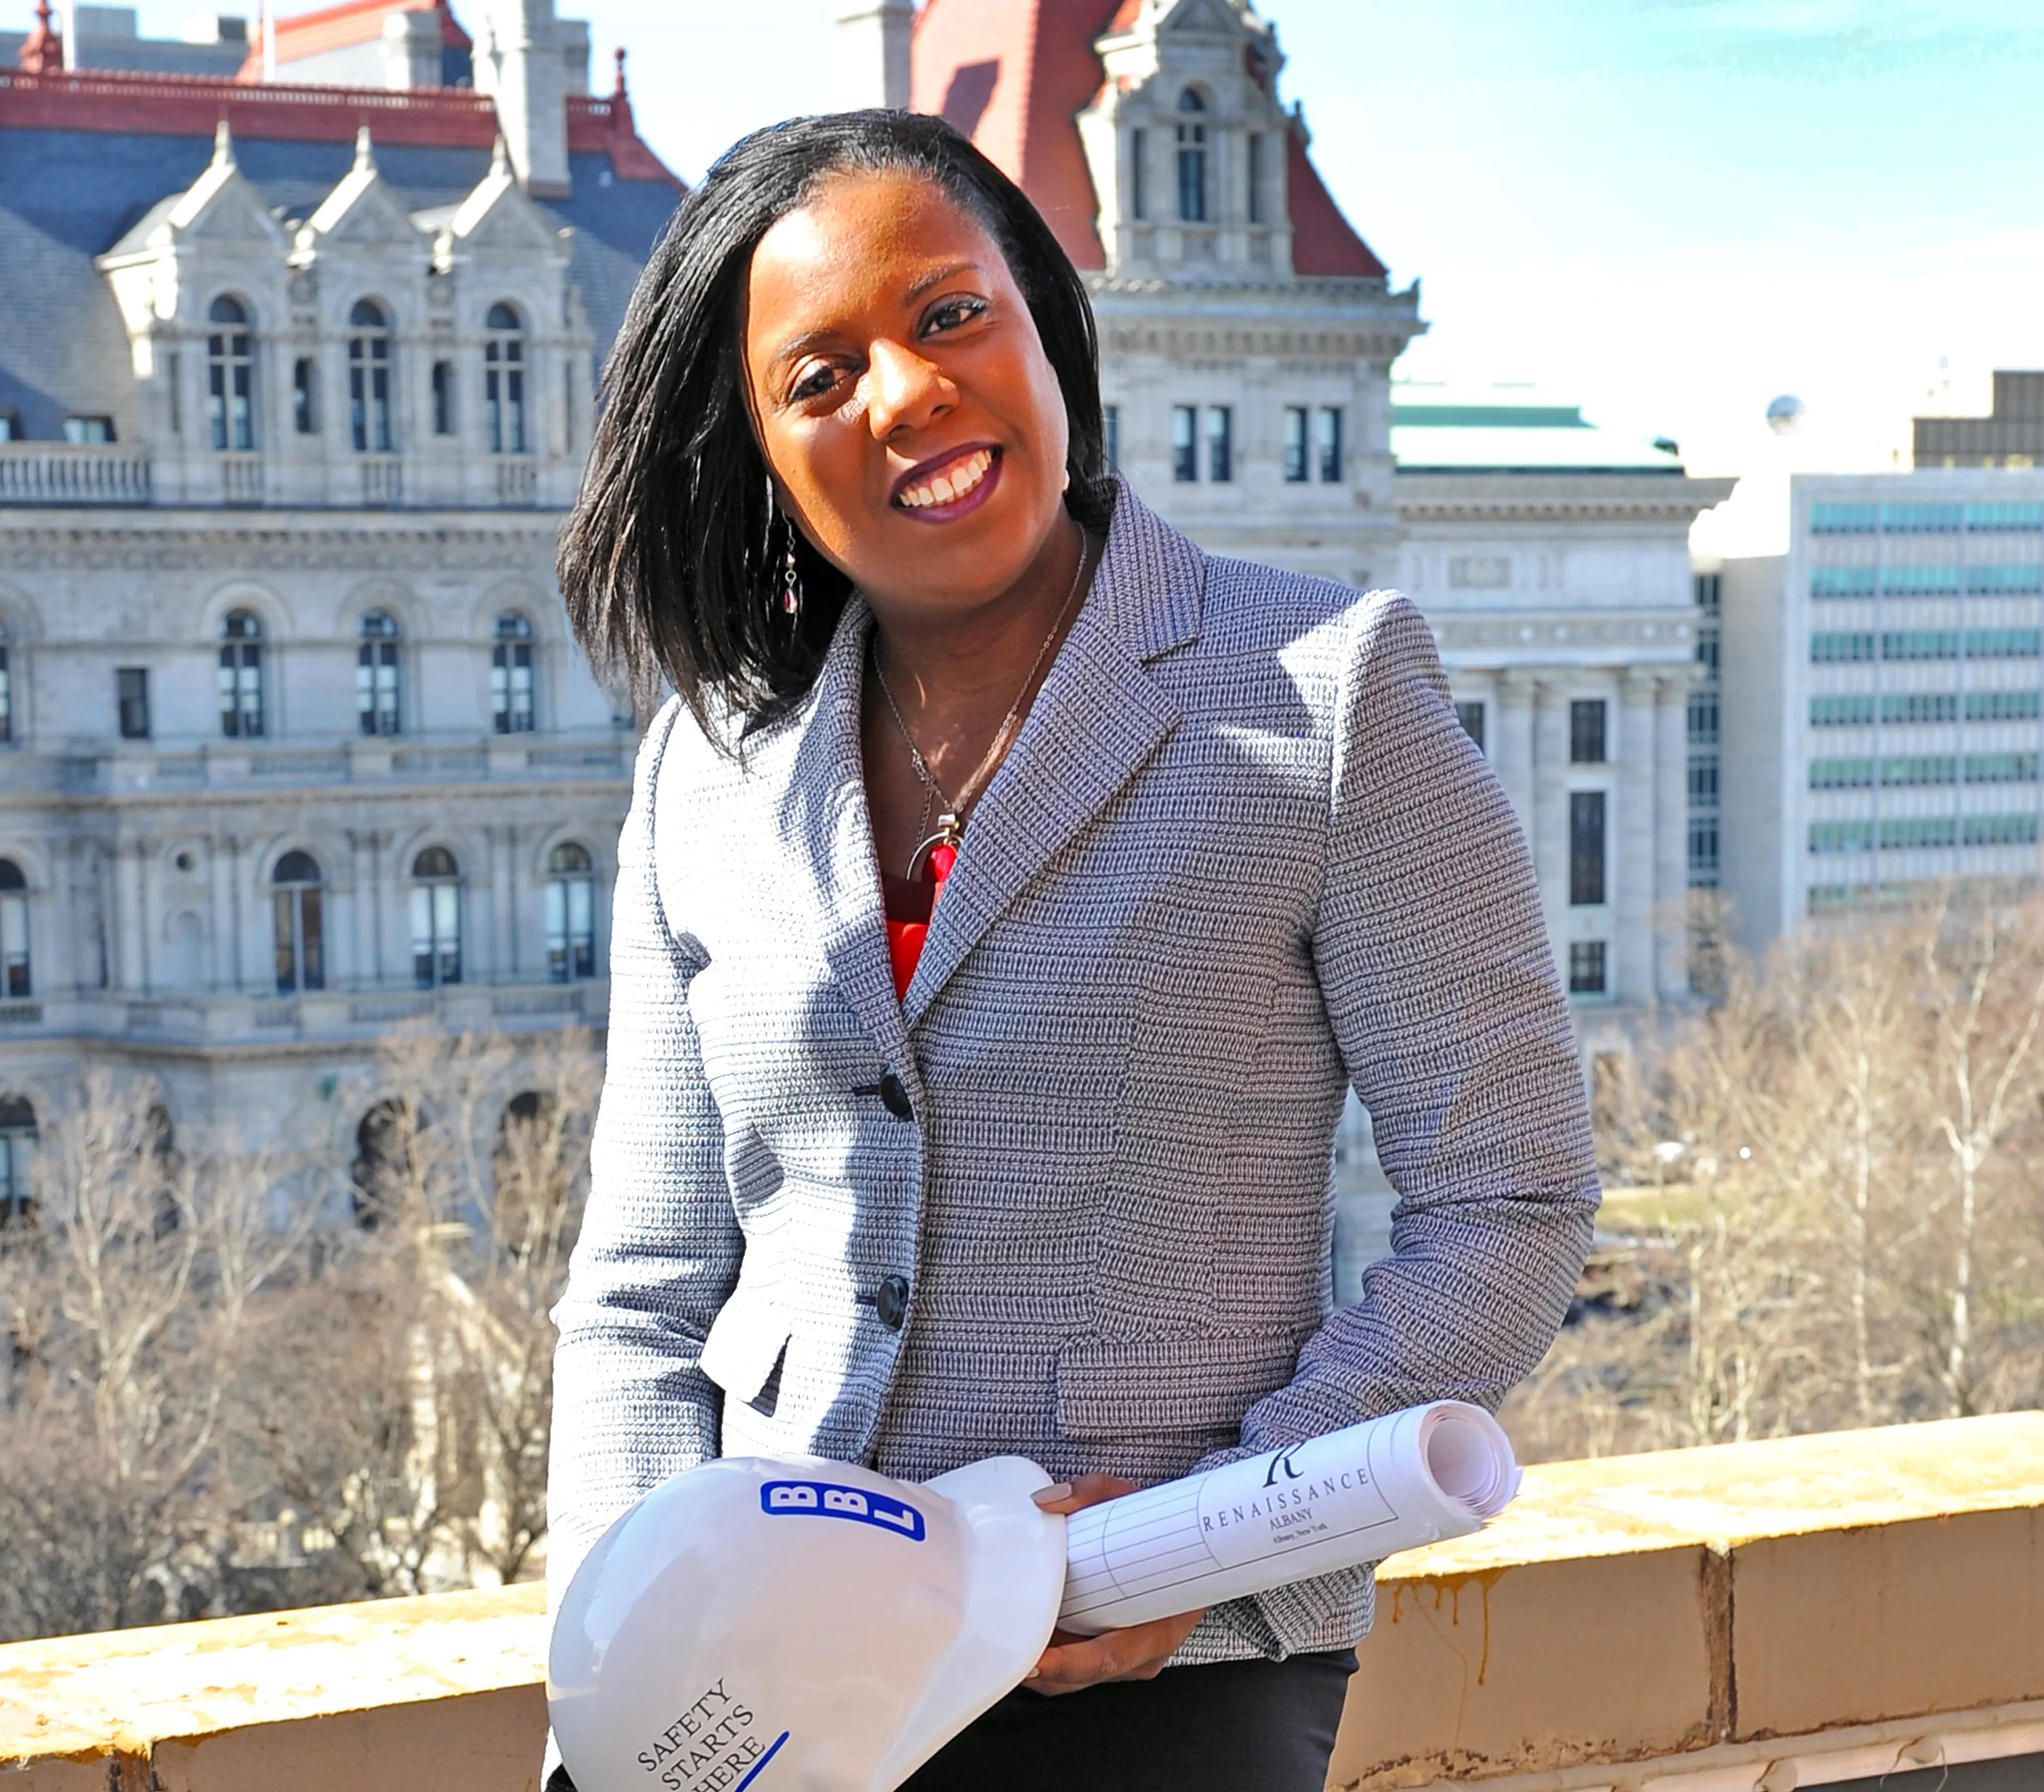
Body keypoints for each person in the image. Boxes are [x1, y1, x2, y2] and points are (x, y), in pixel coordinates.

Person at [547, 110, 1597, 1792]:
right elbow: (641, 1287)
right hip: (756, 1698)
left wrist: (1207, 1553)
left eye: (950, 316)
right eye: (817, 378)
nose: (902, 393)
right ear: (757, 447)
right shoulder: (705, 759)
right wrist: (609, 1676)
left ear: (1046, 331)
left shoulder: (1321, 695)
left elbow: (1508, 1193)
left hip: (1139, 1679)